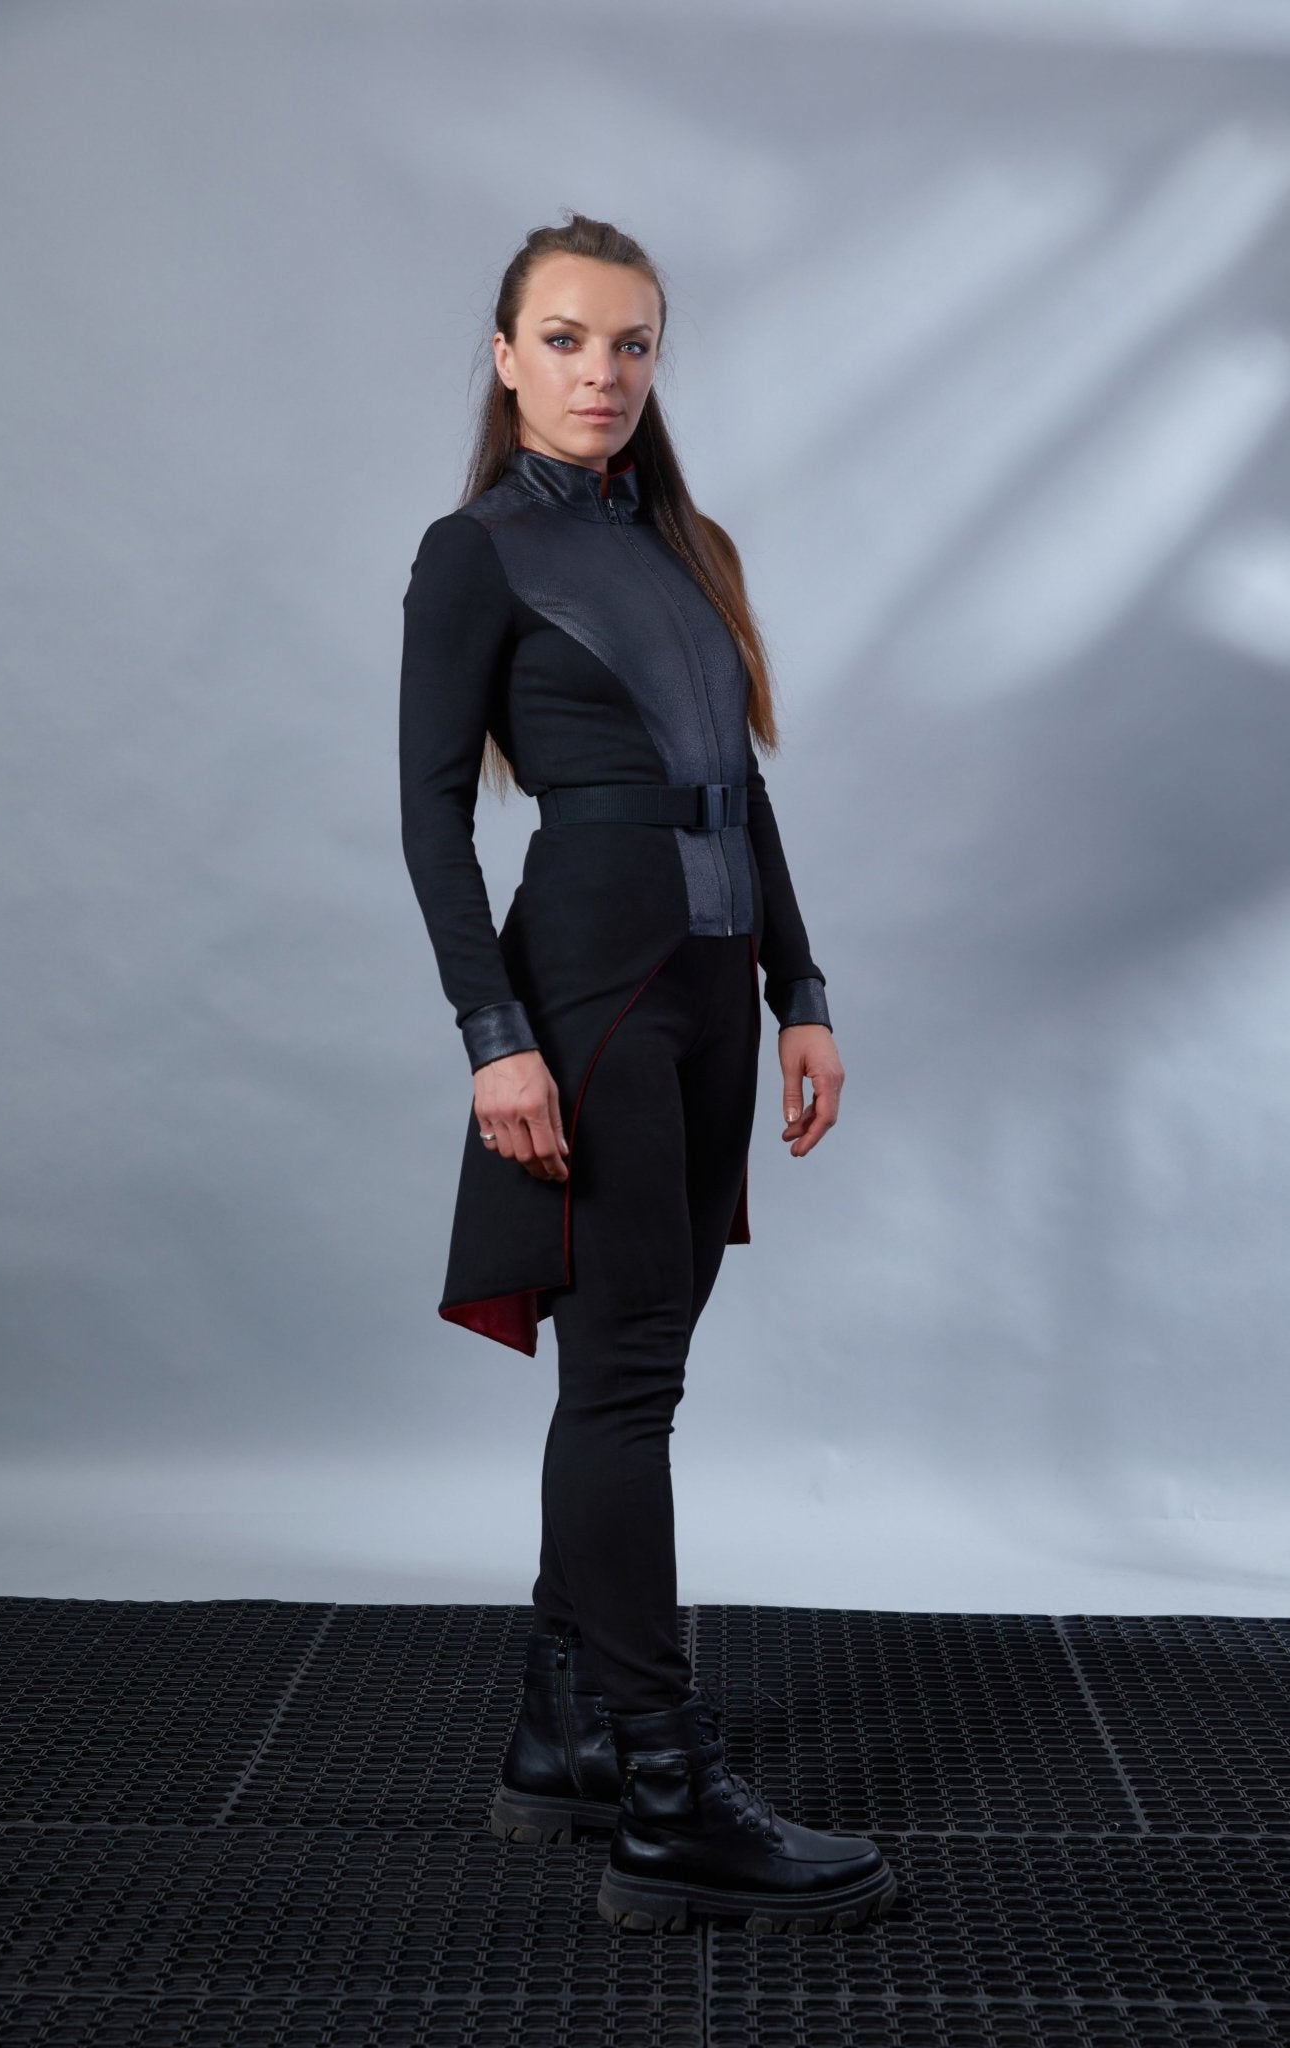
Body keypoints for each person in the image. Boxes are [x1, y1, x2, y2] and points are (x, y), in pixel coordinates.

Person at [398, 211, 896, 1934]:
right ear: (505, 355)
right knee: (622, 1388)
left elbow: (736, 791)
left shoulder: (684, 544)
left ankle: (564, 1736)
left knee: (641, 1369)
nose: (598, 373)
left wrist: (798, 988)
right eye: (564, 339)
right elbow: (430, 819)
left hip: (709, 996)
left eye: (630, 343)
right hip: (590, 999)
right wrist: (495, 1039)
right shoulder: (477, 554)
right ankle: (669, 1800)